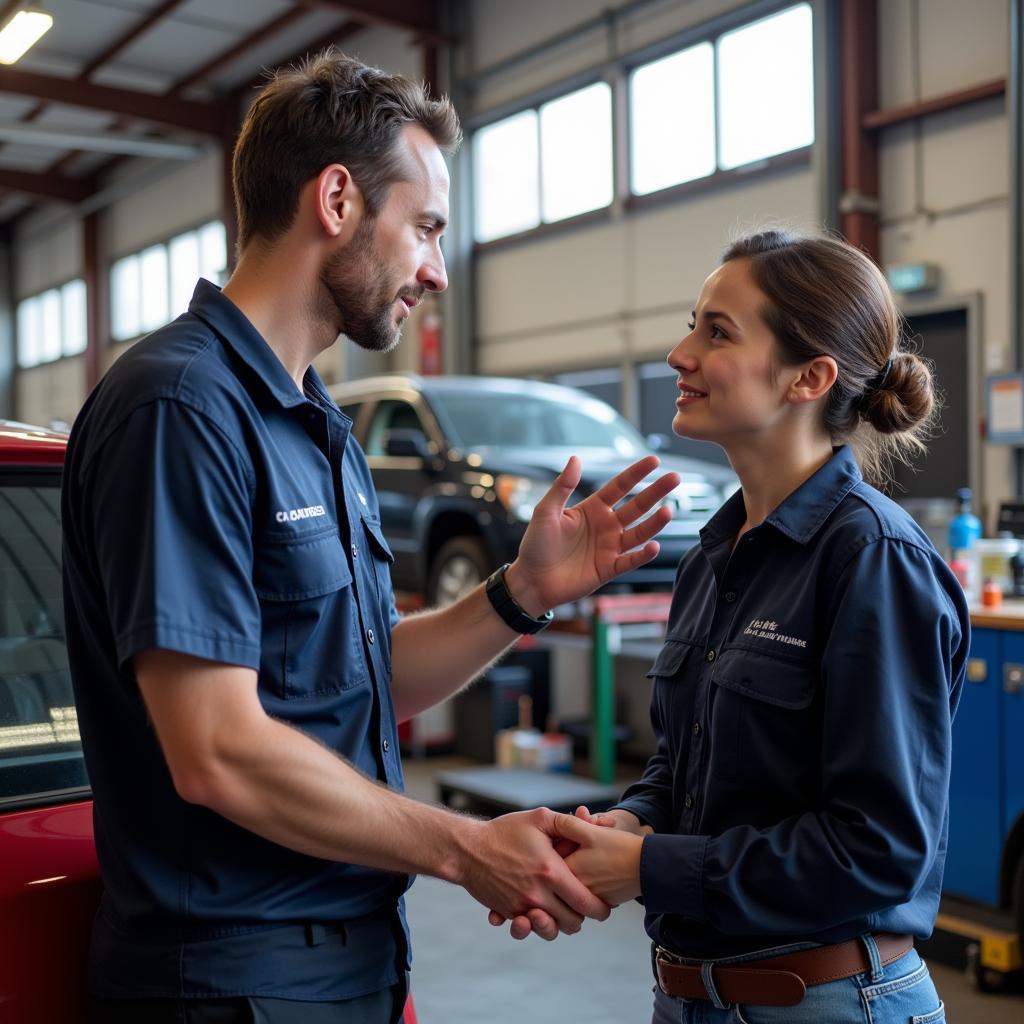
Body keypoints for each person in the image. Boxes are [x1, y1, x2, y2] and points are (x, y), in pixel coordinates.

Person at [61, 50, 681, 1024]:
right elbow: (214, 750)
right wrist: (461, 845)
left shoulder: (315, 424)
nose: (436, 270)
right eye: (426, 228)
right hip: (234, 981)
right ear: (338, 199)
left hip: (346, 965)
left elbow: (361, 680)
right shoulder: (180, 410)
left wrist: (519, 592)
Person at [496, 229, 969, 1023]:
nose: (680, 353)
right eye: (693, 323)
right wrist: (630, 823)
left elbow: (879, 850)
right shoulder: (713, 558)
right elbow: (688, 767)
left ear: (809, 377)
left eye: (717, 332)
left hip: (828, 1003)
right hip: (689, 998)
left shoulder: (872, 561)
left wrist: (648, 867)